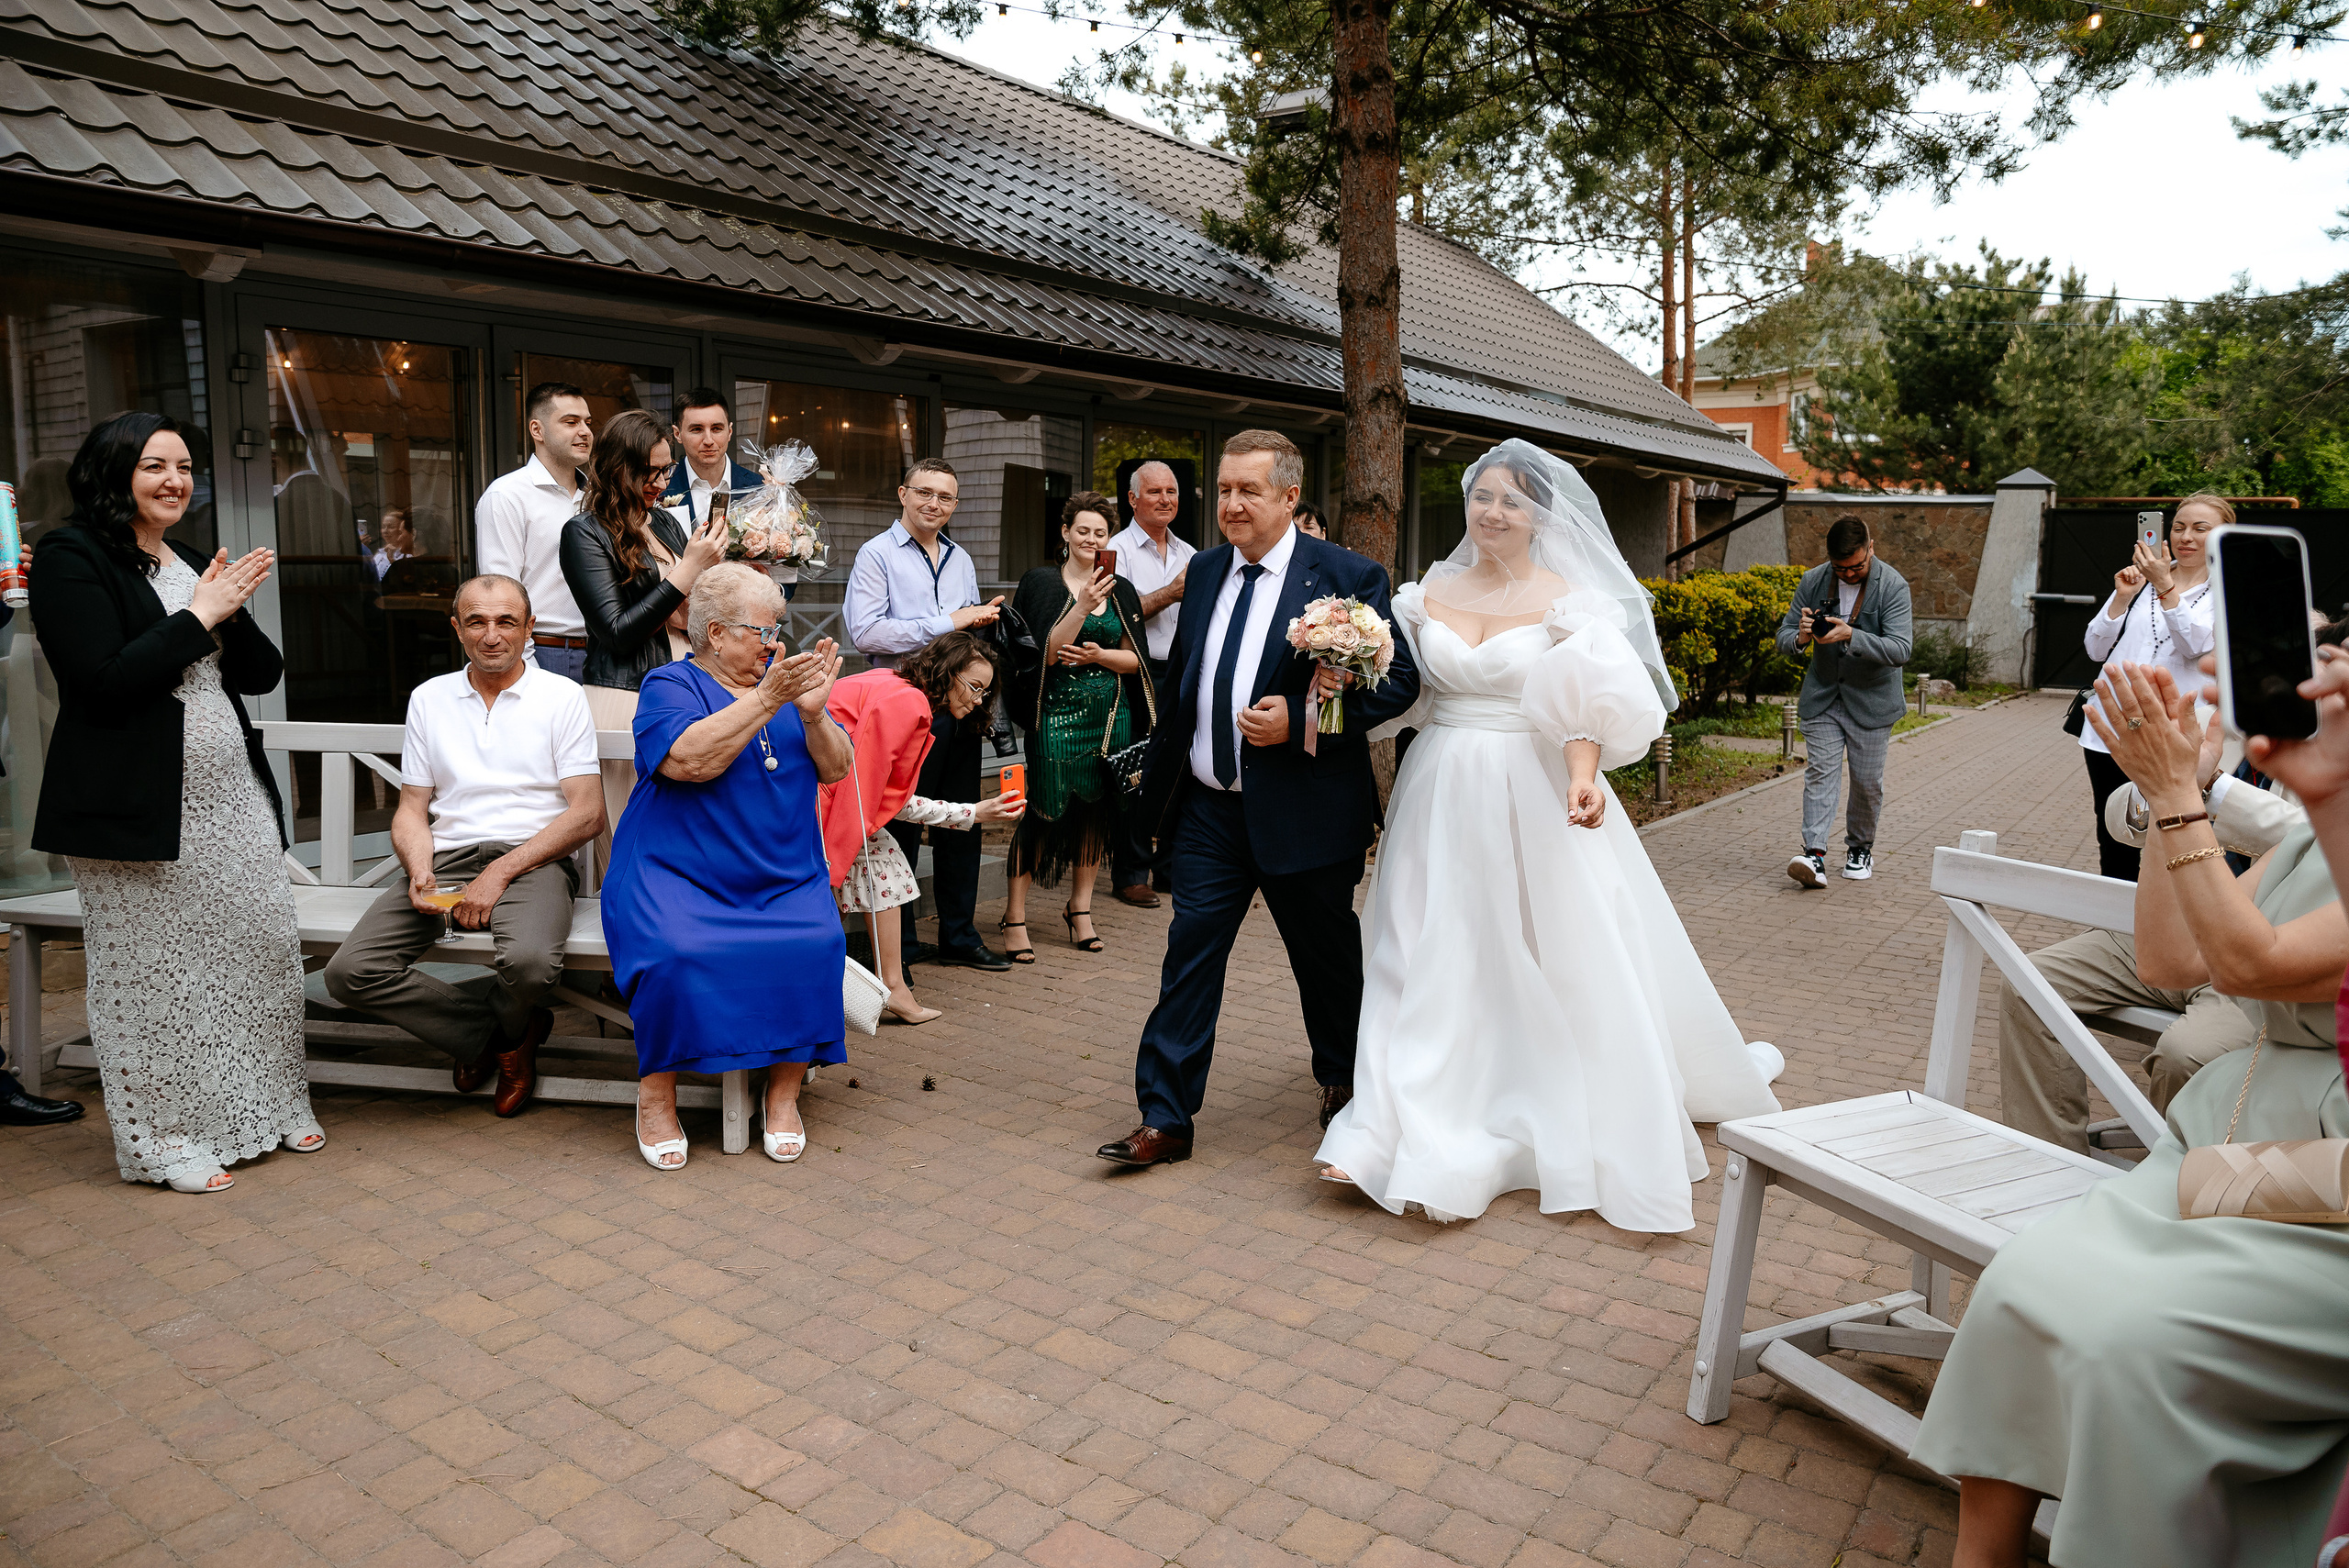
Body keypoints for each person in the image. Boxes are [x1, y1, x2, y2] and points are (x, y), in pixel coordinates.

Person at [1913, 658, 2349, 1568]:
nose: (2324, 684)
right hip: (2225, 1142)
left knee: (2130, 1347)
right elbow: (2169, 958)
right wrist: (2169, 793)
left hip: (2329, 1176)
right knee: (2021, 1282)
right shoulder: (2322, 826)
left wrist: (2179, 797)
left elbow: (2255, 964)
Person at [1310, 441, 1785, 1229]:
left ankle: (1531, 1095)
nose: (1494, 512)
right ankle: (1383, 1127)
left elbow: (1583, 700)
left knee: (1543, 943)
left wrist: (1583, 776)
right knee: (1416, 944)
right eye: (1483, 497)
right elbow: (1406, 696)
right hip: (1437, 787)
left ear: (1539, 518)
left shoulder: (1569, 602)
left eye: (1513, 502)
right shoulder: (1424, 598)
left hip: (1530, 787)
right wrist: (1338, 681)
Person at [1097, 430, 1421, 1170]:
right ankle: (1165, 1116)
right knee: (1189, 956)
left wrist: (1307, 719)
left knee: (1325, 961)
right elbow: (1186, 680)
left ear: (1289, 495)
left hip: (1306, 811)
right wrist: (1153, 803)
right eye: (1224, 490)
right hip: (1210, 811)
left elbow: (1398, 683)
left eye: (1250, 490)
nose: (1232, 504)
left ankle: (1345, 1085)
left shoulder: (1348, 577)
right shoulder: (1206, 570)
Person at [33, 411, 315, 1193]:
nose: (175, 480)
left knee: (258, 953)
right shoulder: (70, 555)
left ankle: (267, 1104)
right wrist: (200, 614)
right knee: (159, 980)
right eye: (155, 465)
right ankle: (163, 1139)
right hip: (136, 807)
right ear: (113, 471)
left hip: (233, 800)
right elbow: (103, 680)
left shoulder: (189, 557)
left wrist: (229, 606)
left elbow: (259, 674)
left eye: (185, 467)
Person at [321, 574, 605, 1118]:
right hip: (447, 859)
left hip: (533, 859)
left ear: (529, 628)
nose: (491, 635)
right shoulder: (431, 698)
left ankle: (494, 1034)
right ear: (457, 628)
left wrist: (499, 873)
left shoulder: (561, 697)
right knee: (349, 973)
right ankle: (498, 1036)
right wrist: (418, 868)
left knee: (529, 965)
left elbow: (587, 812)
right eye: (476, 621)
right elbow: (411, 809)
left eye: (506, 622)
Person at [603, 565, 852, 1169]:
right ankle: (656, 1095)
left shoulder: (784, 686)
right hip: (676, 873)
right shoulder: (671, 684)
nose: (775, 643)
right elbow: (689, 761)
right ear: (715, 632)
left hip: (782, 874)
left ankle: (783, 1095)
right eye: (763, 631)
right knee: (675, 953)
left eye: (778, 630)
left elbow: (838, 767)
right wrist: (768, 700)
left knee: (816, 942)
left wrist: (813, 715)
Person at [842, 459, 1008, 973]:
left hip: (959, 704)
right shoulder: (875, 554)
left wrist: (977, 624)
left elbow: (966, 635)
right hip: (903, 707)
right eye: (925, 493)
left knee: (964, 819)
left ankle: (960, 935)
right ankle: (903, 948)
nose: (934, 504)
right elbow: (865, 633)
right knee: (903, 821)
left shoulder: (961, 558)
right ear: (903, 494)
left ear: (955, 504)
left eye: (945, 497)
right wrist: (948, 620)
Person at [822, 632, 1028, 1022]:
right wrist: (973, 812)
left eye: (985, 692)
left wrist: (972, 813)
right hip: (818, 801)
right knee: (866, 871)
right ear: (948, 672)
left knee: (882, 866)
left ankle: (888, 986)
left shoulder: (902, 690)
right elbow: (866, 795)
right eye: (975, 686)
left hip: (821, 796)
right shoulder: (908, 702)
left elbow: (877, 795)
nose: (979, 699)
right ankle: (863, 987)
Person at [560, 410, 727, 854]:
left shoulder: (665, 523)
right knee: (630, 835)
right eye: (649, 472)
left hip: (686, 683)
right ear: (618, 467)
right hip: (627, 694)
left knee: (685, 832)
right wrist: (687, 570)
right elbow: (616, 631)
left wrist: (713, 577)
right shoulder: (584, 533)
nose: (660, 482)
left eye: (666, 470)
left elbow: (682, 609)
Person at [1004, 493, 1154, 959]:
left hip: (1110, 719)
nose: (1091, 539)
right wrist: (1083, 605)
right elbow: (1042, 656)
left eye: (1100, 533)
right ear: (1066, 533)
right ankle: (1014, 915)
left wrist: (1099, 656)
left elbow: (1135, 662)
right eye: (1083, 530)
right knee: (1041, 815)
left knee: (1095, 816)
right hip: (1054, 718)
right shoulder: (1041, 583)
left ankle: (1080, 909)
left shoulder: (1121, 590)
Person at [2076, 495, 2222, 880]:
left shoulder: (2226, 590)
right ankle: (2114, 914)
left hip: (2171, 734)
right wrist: (2122, 599)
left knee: (2168, 833)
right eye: (2179, 527)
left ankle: (2165, 915)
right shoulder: (2141, 580)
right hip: (2112, 725)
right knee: (2114, 831)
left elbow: (2194, 644)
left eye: (2200, 529)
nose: (2186, 537)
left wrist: (2163, 584)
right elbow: (2095, 648)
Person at [1777, 516, 1913, 888]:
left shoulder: (1893, 586)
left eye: (1857, 566)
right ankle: (1814, 855)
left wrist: (1851, 634)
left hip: (1872, 700)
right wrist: (1801, 637)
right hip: (1823, 695)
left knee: (1867, 783)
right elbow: (1784, 635)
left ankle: (1859, 848)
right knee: (1821, 773)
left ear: (1871, 549)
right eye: (1841, 568)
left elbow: (1901, 649)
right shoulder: (1812, 581)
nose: (1849, 574)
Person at [1105, 461, 1194, 906]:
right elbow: (1114, 614)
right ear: (1133, 499)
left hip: (1181, 672)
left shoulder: (1189, 553)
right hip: (1134, 671)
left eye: (1171, 492)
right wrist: (1171, 593)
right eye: (1155, 492)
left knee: (1180, 769)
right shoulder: (1114, 551)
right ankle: (1130, 873)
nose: (1165, 500)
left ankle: (1170, 869)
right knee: (1135, 770)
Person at [477, 382, 594, 679]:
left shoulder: (598, 496)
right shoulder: (507, 496)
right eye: (571, 422)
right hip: (544, 650)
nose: (585, 432)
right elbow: (501, 595)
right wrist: (529, 670)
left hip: (604, 652)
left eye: (587, 422)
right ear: (537, 430)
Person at [661, 387, 792, 601]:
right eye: (696, 429)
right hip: (678, 613)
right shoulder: (661, 488)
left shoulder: (761, 488)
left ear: (729, 431)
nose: (708, 440)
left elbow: (787, 573)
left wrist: (771, 591)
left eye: (716, 428)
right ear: (677, 434)